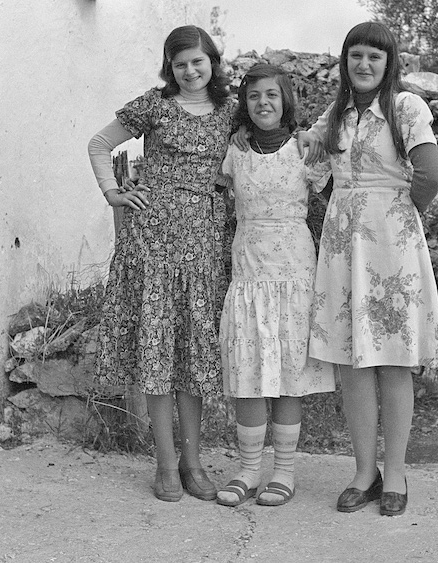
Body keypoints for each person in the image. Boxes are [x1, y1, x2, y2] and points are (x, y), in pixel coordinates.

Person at [298, 21, 438, 517]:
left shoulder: (406, 107)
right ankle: (365, 473)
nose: (364, 65)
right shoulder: (335, 114)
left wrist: (397, 215)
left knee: (394, 358)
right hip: (344, 245)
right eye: (356, 55)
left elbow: (430, 174)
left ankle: (396, 472)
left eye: (374, 57)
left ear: (389, 63)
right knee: (353, 361)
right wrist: (343, 203)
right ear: (345, 61)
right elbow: (311, 170)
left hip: (391, 242)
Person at [87, 25, 237, 503]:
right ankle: (166, 465)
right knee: (157, 351)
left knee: (192, 353)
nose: (190, 71)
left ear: (212, 61)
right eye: (180, 64)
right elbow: (98, 144)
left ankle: (194, 463)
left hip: (204, 243)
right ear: (169, 68)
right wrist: (113, 193)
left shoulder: (231, 111)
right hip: (152, 242)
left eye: (198, 61)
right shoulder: (154, 105)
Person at [214, 64, 335, 508]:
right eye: (253, 96)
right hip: (249, 274)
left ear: (285, 100)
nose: (263, 103)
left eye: (271, 95)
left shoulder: (306, 151)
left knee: (288, 376)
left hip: (293, 274)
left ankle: (283, 472)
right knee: (248, 372)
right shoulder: (235, 152)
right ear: (244, 104)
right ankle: (248, 470)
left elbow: (340, 190)